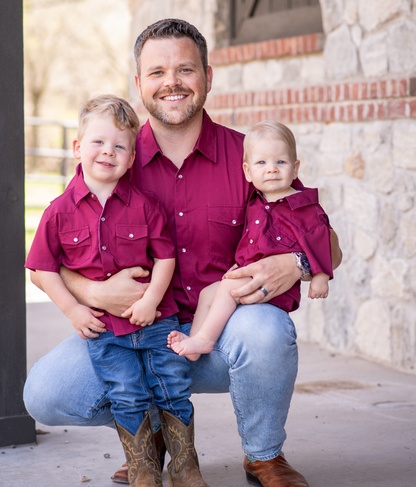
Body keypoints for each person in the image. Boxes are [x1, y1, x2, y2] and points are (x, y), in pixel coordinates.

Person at [24, 19, 342, 487]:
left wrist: (295, 264)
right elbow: (50, 257)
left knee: (269, 332)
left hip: (221, 331)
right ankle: (148, 433)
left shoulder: (249, 155)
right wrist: (91, 290)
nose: (171, 82)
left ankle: (263, 455)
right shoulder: (115, 159)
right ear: (139, 84)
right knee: (47, 394)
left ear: (208, 77)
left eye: (185, 69)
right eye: (156, 72)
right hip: (133, 334)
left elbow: (324, 237)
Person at [25, 94, 209, 487]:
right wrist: (74, 310)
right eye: (98, 142)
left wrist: (150, 300)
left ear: (130, 159)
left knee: (172, 386)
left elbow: (165, 258)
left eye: (119, 146)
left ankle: (185, 466)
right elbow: (40, 267)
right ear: (78, 147)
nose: (108, 152)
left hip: (158, 321)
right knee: (126, 393)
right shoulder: (58, 211)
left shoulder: (146, 204)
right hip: (106, 331)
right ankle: (144, 469)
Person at [167, 120, 332, 361]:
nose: (272, 169)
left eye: (281, 162)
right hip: (246, 274)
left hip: (273, 287)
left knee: (225, 289)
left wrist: (320, 277)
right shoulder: (255, 200)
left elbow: (321, 240)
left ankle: (205, 341)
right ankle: (195, 341)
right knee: (208, 294)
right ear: (247, 171)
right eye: (262, 163)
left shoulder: (302, 206)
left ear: (295, 169)